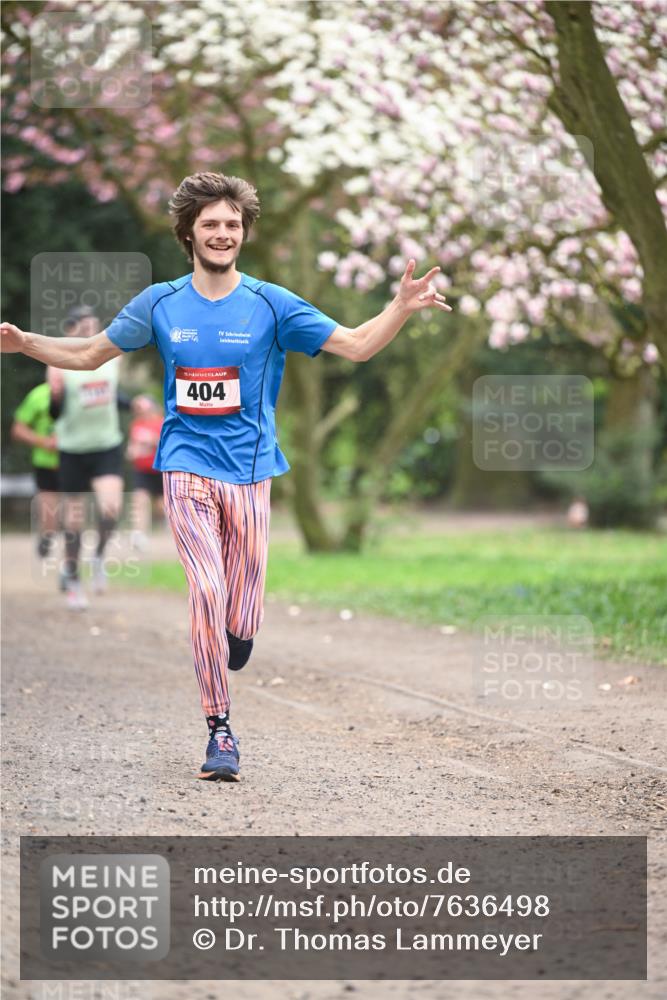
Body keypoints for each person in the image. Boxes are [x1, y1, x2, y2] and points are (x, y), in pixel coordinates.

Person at [1, 171, 452, 782]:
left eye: (232, 224)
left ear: (244, 234)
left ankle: (236, 635)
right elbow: (87, 355)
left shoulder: (272, 304)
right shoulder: (160, 303)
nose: (222, 233)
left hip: (251, 473)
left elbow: (357, 345)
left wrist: (398, 306)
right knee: (206, 593)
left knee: (241, 612)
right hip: (184, 466)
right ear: (188, 233)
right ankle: (220, 730)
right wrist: (26, 342)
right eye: (210, 224)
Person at [48, 305, 125, 611]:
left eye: (93, 325)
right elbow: (55, 413)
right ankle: (74, 581)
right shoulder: (58, 362)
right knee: (74, 521)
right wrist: (56, 396)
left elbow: (112, 396)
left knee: (111, 509)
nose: (89, 331)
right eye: (83, 327)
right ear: (70, 330)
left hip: (106, 445)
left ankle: (98, 557)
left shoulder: (111, 356)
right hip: (73, 449)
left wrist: (136, 404)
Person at [11, 377, 60, 558]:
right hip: (46, 463)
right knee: (49, 512)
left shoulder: (80, 393)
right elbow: (18, 429)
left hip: (77, 460)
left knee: (74, 509)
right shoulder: (38, 395)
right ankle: (47, 537)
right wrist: (44, 442)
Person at [126, 394, 164, 550]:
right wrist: (131, 451)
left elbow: (165, 443)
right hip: (142, 470)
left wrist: (152, 440)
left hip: (160, 469)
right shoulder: (136, 424)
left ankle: (173, 530)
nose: (139, 409)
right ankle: (138, 535)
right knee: (140, 500)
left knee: (162, 506)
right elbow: (132, 446)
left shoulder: (161, 422)